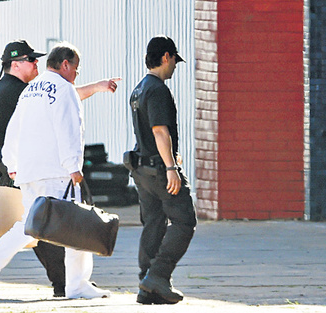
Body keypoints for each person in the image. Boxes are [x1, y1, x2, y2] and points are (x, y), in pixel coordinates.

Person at [0, 39, 120, 298]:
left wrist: (13, 163)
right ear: (65, 64)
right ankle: (75, 284)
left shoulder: (29, 90)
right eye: (76, 69)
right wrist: (74, 167)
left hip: (27, 171)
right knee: (75, 225)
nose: (75, 75)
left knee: (29, 224)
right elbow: (70, 129)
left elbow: (11, 128)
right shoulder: (63, 89)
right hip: (55, 172)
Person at [128, 35, 197, 305]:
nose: (175, 67)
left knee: (154, 222)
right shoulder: (156, 89)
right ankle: (158, 275)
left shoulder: (139, 89)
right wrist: (171, 167)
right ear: (165, 57)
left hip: (142, 169)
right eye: (174, 61)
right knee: (184, 221)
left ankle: (148, 285)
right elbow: (159, 130)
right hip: (159, 169)